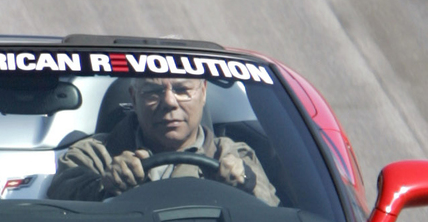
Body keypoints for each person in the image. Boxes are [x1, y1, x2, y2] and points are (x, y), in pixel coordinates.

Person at [47, 76, 280, 205]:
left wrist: (244, 184)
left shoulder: (235, 155)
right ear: (133, 98)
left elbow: (274, 215)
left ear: (204, 92)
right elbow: (59, 200)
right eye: (153, 91)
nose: (169, 102)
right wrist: (105, 185)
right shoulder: (94, 154)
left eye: (181, 89)